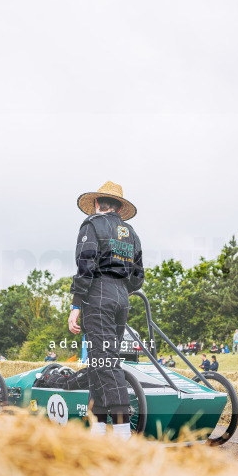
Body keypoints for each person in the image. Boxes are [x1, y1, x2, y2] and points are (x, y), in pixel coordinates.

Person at [67, 182, 144, 440]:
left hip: (97, 298)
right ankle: (98, 431)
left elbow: (85, 267)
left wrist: (76, 305)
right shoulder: (131, 233)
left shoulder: (91, 225)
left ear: (98, 204)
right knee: (100, 362)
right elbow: (138, 278)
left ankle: (122, 433)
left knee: (104, 362)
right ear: (120, 208)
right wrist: (121, 288)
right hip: (122, 300)